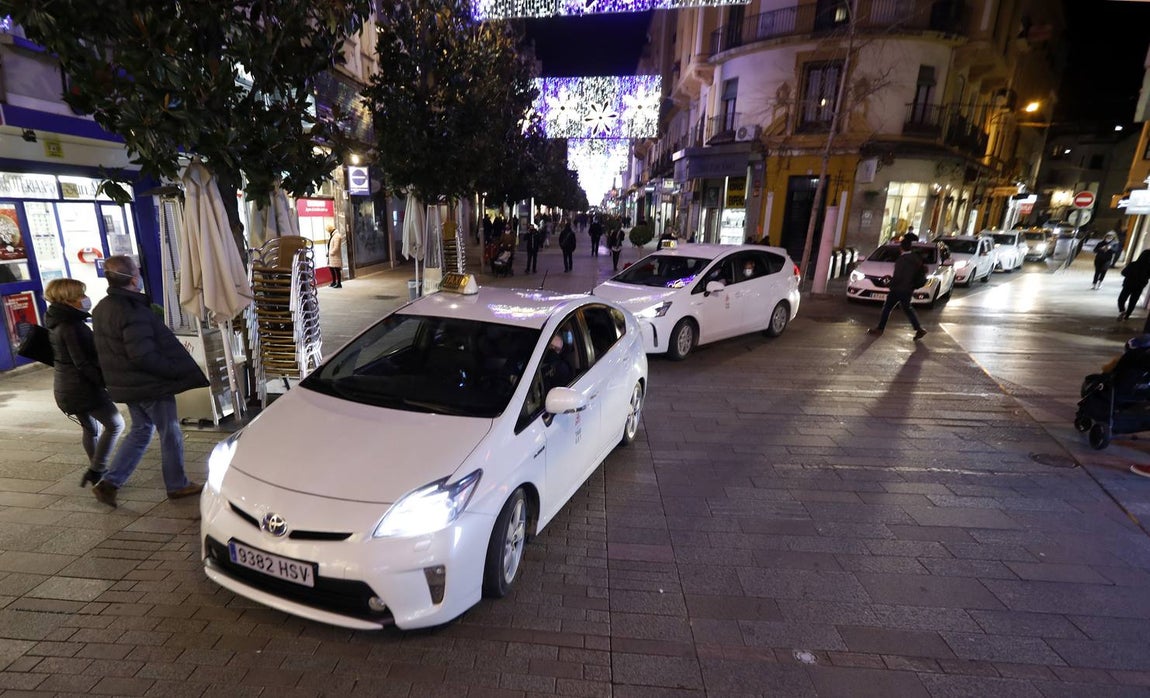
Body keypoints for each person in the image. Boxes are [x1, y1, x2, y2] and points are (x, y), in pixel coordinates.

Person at [90, 255, 209, 508]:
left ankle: (110, 483)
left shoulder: (102, 308)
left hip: (127, 384)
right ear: (134, 278)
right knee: (170, 432)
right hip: (148, 384)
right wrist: (172, 370)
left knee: (141, 430)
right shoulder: (132, 311)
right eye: (137, 272)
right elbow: (142, 355)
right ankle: (177, 484)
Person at [43, 278, 124, 487]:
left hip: (66, 386)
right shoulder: (70, 326)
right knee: (116, 424)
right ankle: (97, 470)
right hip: (81, 387)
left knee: (91, 429)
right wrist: (107, 384)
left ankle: (99, 471)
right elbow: (82, 363)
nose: (84, 299)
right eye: (80, 295)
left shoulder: (56, 319)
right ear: (68, 299)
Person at [867, 236, 927, 340]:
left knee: (887, 308)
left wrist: (890, 284)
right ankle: (919, 329)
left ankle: (880, 329)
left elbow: (898, 276)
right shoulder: (916, 258)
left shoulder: (902, 259)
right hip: (909, 288)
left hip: (898, 289)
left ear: (901, 247)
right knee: (907, 308)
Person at [1120, 250, 1150, 321]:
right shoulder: (1148, 268)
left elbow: (1123, 273)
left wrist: (1131, 276)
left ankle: (1122, 311)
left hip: (1128, 285)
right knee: (1133, 301)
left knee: (1121, 299)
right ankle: (1127, 316)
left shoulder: (1133, 264)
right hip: (1139, 287)